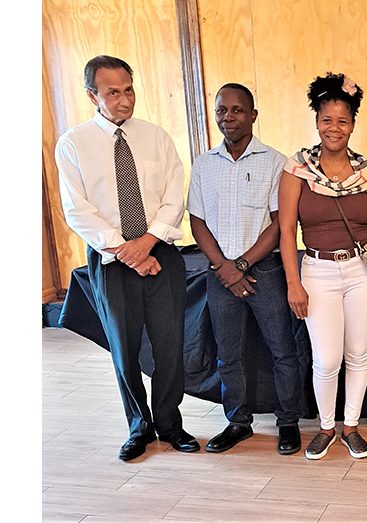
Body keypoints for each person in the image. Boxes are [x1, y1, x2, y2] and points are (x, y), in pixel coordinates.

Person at [55, 55, 198, 461]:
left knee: (171, 344)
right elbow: (77, 210)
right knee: (125, 347)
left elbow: (174, 195)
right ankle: (139, 427)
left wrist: (148, 243)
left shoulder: (156, 137)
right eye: (112, 93)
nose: (124, 100)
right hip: (112, 260)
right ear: (92, 96)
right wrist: (128, 251)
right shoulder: (74, 144)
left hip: (160, 253)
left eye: (129, 90)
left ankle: (170, 424)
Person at [187, 83, 304, 455]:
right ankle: (238, 422)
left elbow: (279, 224)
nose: (229, 117)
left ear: (253, 115)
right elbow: (198, 221)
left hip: (264, 272)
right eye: (222, 110)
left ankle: (288, 423)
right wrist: (225, 268)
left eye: (237, 110)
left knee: (282, 350)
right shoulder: (204, 164)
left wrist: (241, 265)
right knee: (228, 354)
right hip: (220, 275)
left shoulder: (274, 161)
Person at [278, 73, 367, 460]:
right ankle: (326, 427)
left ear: (353, 124)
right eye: (327, 120)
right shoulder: (298, 169)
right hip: (318, 271)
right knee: (327, 359)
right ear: (316, 122)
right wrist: (294, 283)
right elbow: (286, 229)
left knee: (359, 354)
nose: (334, 128)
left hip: (364, 273)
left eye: (342, 121)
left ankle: (351, 427)